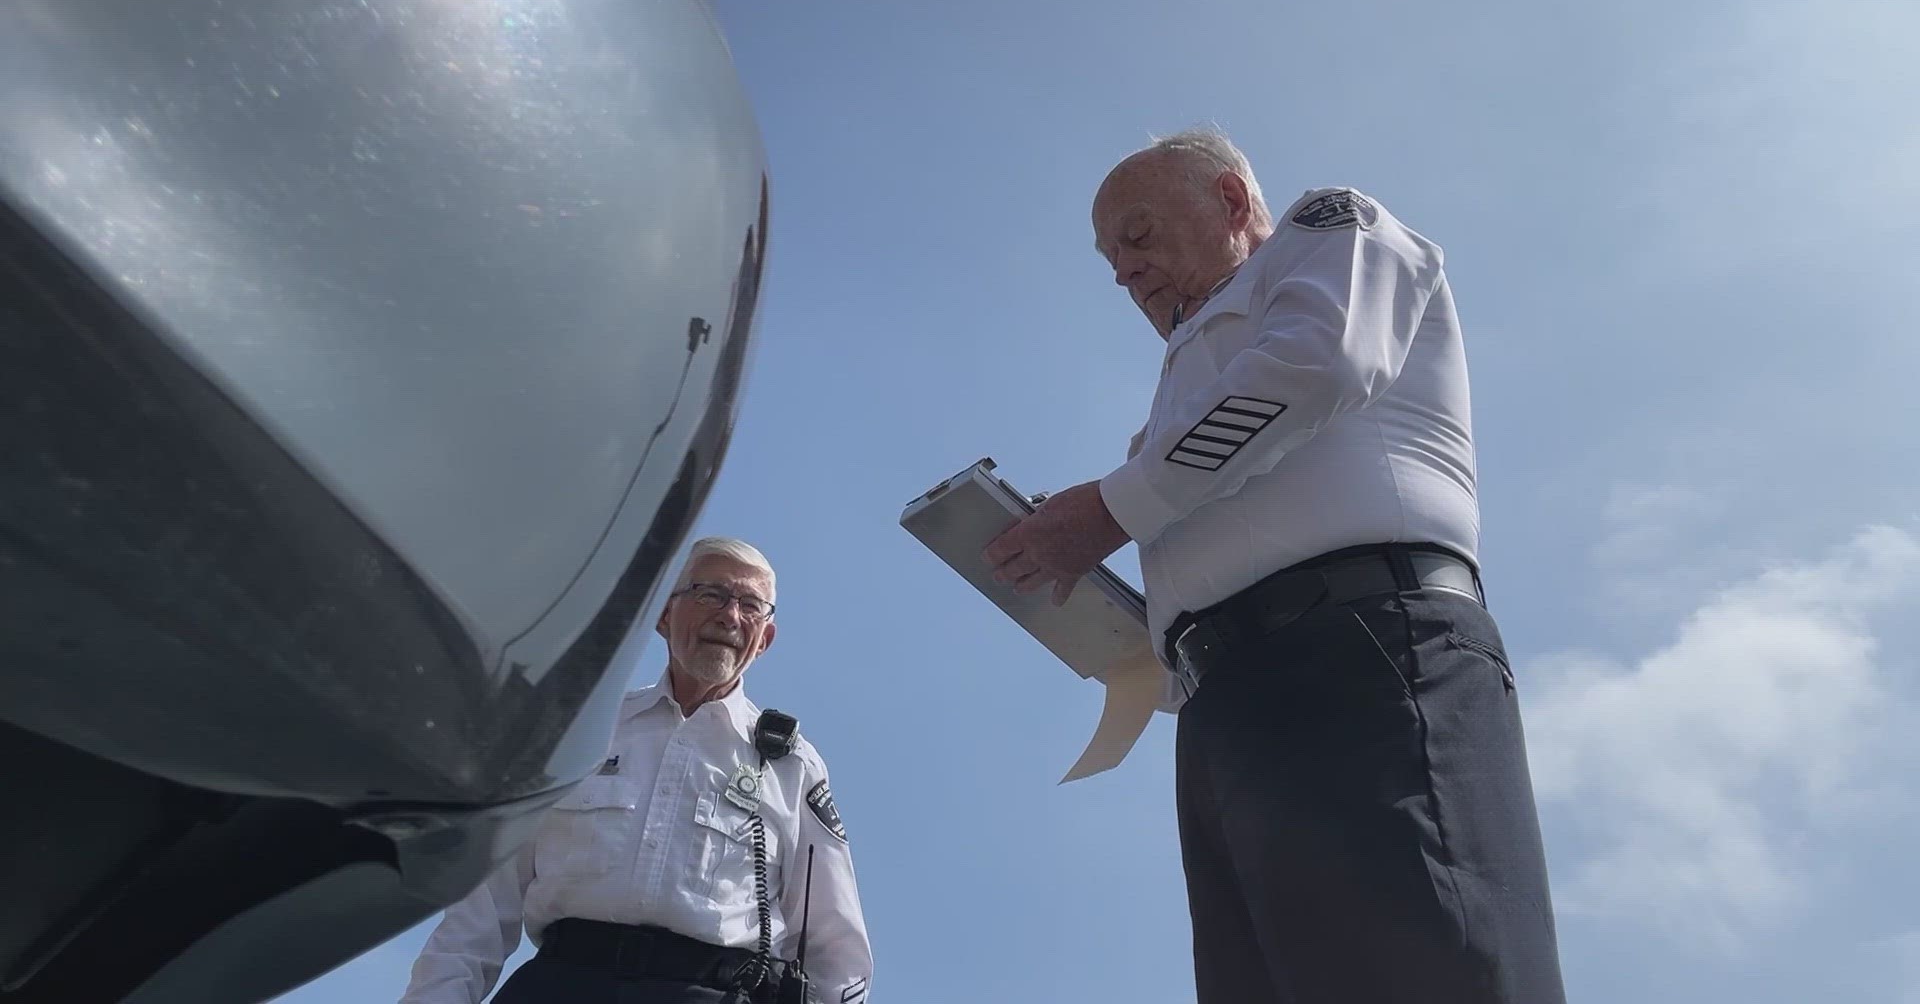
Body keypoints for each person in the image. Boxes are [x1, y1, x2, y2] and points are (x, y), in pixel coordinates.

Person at [982, 126, 1566, 1003]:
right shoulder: (1181, 389)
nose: (1123, 271)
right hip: (1230, 714)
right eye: (1109, 260)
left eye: (1137, 236)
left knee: (1425, 968)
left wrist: (1107, 509)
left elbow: (1316, 365)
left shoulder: (1330, 233)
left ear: (1227, 200)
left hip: (1362, 657)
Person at [397, 537, 873, 1004]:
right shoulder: (578, 732)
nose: (730, 616)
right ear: (664, 615)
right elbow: (478, 918)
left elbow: (835, 951)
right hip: (559, 984)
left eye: (751, 605)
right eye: (711, 594)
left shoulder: (790, 765)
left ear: (765, 638)